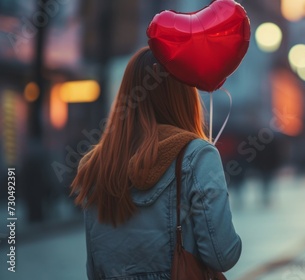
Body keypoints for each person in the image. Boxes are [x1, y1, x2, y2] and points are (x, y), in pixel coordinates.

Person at [70, 47, 242, 279]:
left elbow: (94, 267)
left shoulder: (94, 165)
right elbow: (223, 255)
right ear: (183, 95)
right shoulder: (196, 155)